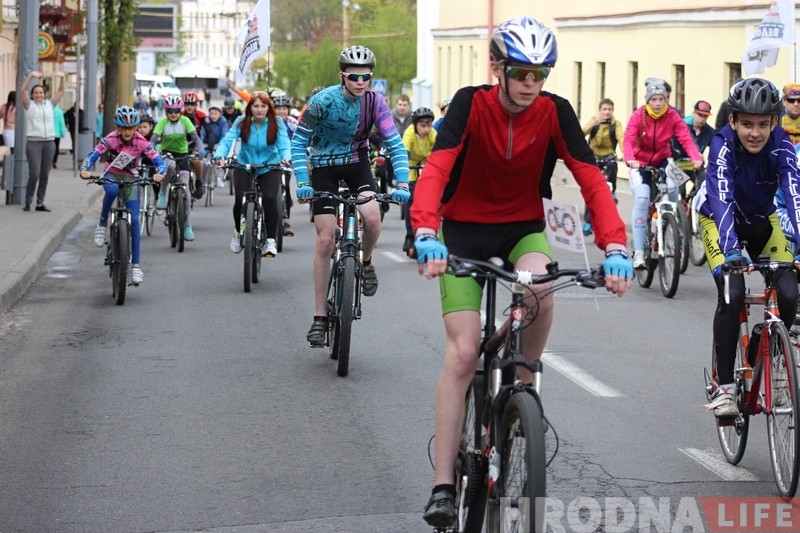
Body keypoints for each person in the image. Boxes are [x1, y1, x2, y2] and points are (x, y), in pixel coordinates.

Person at [410, 17, 633, 527]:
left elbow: (589, 178)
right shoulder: (470, 103)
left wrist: (615, 242)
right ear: (497, 68)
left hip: (522, 228)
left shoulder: (555, 112)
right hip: (462, 231)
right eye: (522, 73)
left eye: (541, 74)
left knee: (543, 291)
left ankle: (524, 381)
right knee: (465, 352)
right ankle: (444, 484)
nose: (532, 85)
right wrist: (425, 233)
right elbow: (437, 168)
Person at [291, 45, 411, 347]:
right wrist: (303, 180)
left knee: (372, 218)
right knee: (326, 239)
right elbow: (299, 141)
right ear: (342, 75)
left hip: (358, 165)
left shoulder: (376, 102)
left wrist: (403, 183)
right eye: (354, 76)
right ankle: (319, 317)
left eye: (366, 76)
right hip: (323, 168)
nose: (360, 82)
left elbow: (394, 143)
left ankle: (366, 262)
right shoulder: (321, 101)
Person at [696, 78, 800, 418]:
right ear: (733, 122)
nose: (754, 133)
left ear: (774, 122)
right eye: (746, 124)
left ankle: (763, 346)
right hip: (718, 220)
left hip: (761, 221)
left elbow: (795, 196)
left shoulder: (782, 145)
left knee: (788, 291)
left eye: (762, 124)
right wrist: (731, 250)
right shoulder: (722, 145)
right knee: (733, 291)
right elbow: (721, 196)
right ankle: (725, 388)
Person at [79, 106, 168, 285]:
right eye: (123, 128)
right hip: (111, 175)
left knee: (134, 220)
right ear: (118, 128)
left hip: (131, 179)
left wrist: (160, 172)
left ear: (135, 127)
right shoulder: (110, 139)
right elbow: (94, 155)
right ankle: (102, 224)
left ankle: (135, 266)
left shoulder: (141, 141)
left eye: (131, 127)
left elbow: (159, 161)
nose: (127, 132)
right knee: (111, 191)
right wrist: (85, 169)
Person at [623, 77, 702, 269]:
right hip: (640, 163)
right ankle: (640, 252)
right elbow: (628, 139)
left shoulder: (672, 116)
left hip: (663, 160)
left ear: (666, 99)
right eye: (654, 99)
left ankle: (670, 226)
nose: (658, 103)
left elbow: (686, 138)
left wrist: (696, 157)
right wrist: (629, 158)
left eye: (661, 99)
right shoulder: (638, 116)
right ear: (648, 100)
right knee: (642, 199)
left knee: (674, 188)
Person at [214, 92, 291, 257]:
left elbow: (284, 143)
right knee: (239, 198)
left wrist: (286, 158)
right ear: (250, 108)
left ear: (268, 108)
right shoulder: (241, 122)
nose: (259, 110)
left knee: (270, 198)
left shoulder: (276, 122)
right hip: (244, 165)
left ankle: (270, 240)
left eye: (263, 106)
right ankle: (238, 231)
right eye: (255, 106)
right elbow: (228, 140)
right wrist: (220, 156)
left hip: (269, 166)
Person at [149, 94, 205, 241]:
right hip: (167, 153)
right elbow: (153, 139)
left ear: (181, 111)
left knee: (185, 189)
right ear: (166, 112)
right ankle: (162, 193)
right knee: (169, 166)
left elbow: (195, 138)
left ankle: (187, 225)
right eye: (170, 111)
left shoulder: (186, 121)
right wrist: (150, 150)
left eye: (176, 111)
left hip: (183, 154)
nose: (173, 114)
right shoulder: (162, 123)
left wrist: (201, 149)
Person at [20, 70, 65, 212]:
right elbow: (22, 90)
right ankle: (28, 201)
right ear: (33, 95)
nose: (38, 95)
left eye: (41, 92)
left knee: (45, 175)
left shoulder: (50, 105)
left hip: (49, 143)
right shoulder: (29, 106)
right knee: (35, 173)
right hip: (33, 143)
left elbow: (61, 91)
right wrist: (31, 76)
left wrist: (62, 77)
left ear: (44, 94)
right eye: (36, 93)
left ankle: (40, 203)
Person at [581, 97, 624, 235]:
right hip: (593, 156)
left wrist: (626, 154)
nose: (607, 112)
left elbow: (621, 139)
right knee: (591, 189)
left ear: (613, 111)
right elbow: (581, 133)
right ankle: (588, 221)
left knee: (613, 164)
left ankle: (613, 188)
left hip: (608, 156)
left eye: (609, 109)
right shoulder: (594, 121)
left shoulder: (615, 124)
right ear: (599, 110)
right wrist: (593, 124)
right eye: (604, 109)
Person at [401, 107, 437, 252]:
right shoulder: (409, 133)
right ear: (415, 125)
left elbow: (442, 150)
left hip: (424, 163)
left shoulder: (434, 134)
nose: (426, 129)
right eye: (423, 125)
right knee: (410, 199)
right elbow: (404, 153)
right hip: (410, 164)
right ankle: (409, 235)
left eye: (429, 125)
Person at [271, 94, 298, 235]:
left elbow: (301, 138)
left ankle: (286, 221)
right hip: (269, 161)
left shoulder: (293, 123)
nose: (281, 111)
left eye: (284, 109)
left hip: (286, 162)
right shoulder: (268, 122)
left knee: (286, 188)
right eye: (278, 109)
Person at [677, 100, 715, 195]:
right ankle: (682, 204)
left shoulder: (709, 132)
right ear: (694, 113)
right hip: (678, 164)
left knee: (704, 188)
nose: (702, 119)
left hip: (696, 166)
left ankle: (693, 201)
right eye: (700, 115)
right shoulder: (681, 126)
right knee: (679, 192)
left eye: (705, 116)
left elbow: (716, 146)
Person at [181, 91, 208, 199]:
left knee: (197, 161)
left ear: (196, 105)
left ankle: (198, 182)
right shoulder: (180, 114)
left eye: (192, 104)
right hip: (182, 143)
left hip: (196, 143)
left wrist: (207, 145)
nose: (189, 107)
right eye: (187, 104)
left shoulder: (201, 116)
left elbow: (208, 130)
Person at [200, 106, 230, 189]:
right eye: (211, 114)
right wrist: (200, 145)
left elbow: (224, 135)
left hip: (218, 143)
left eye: (216, 114)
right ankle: (202, 180)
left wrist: (220, 147)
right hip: (206, 143)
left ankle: (219, 178)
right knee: (204, 162)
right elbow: (202, 133)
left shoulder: (224, 121)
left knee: (220, 159)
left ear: (220, 114)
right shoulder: (206, 120)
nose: (213, 116)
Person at [52, 104, 66, 168]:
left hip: (49, 134)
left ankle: (49, 160)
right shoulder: (59, 111)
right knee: (56, 148)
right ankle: (54, 161)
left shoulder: (49, 110)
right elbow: (62, 122)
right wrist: (62, 132)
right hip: (57, 134)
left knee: (49, 148)